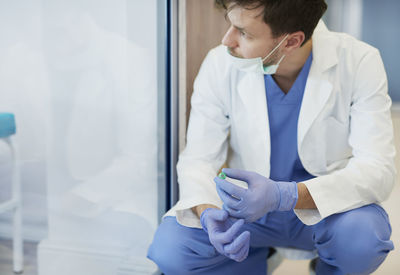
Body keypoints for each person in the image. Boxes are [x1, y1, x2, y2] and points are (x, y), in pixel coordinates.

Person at [148, 0, 396, 274]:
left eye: (244, 33)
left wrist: (285, 195)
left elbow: (378, 169)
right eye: (231, 25)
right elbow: (198, 159)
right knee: (172, 250)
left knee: (361, 240)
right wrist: (207, 213)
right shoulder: (220, 63)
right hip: (247, 211)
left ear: (291, 41)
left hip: (323, 208)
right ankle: (251, 261)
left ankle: (327, 265)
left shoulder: (359, 61)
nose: (226, 39)